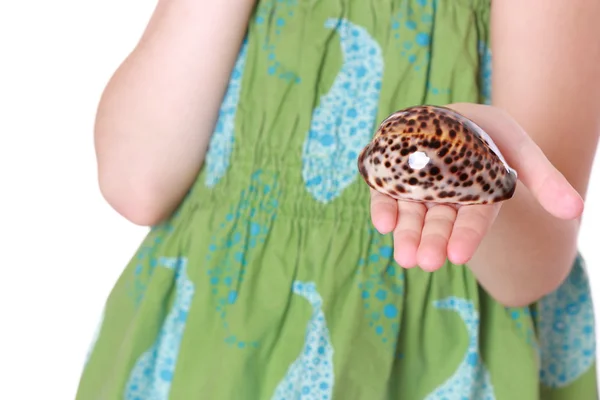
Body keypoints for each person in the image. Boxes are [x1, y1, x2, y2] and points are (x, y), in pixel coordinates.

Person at [77, 0, 600, 398]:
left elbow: (532, 268)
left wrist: (478, 165)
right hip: (207, 342)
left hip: (428, 355)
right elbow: (135, 184)